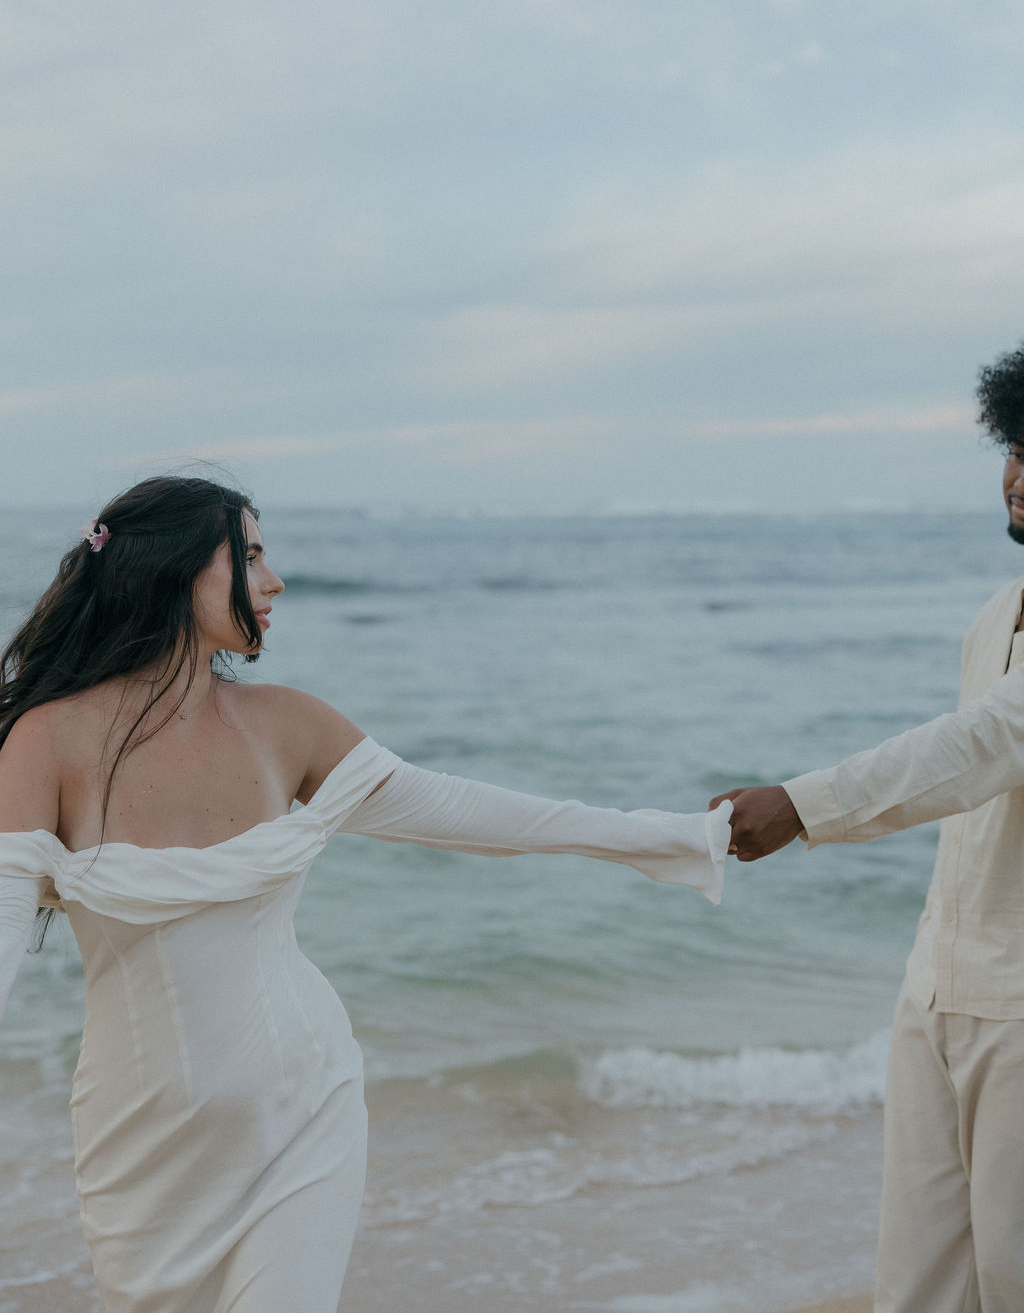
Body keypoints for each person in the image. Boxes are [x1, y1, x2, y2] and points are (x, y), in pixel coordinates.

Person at [0, 475, 732, 1313]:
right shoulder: (48, 739)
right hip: (143, 1138)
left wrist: (669, 834)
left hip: (305, 1106)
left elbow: (464, 810)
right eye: (249, 555)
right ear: (172, 570)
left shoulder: (288, 724)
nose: (273, 582)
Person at [711, 343, 1024, 1313]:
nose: (1016, 476)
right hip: (937, 990)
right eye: (1014, 448)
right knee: (918, 1286)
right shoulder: (994, 614)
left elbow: (980, 745)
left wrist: (806, 806)